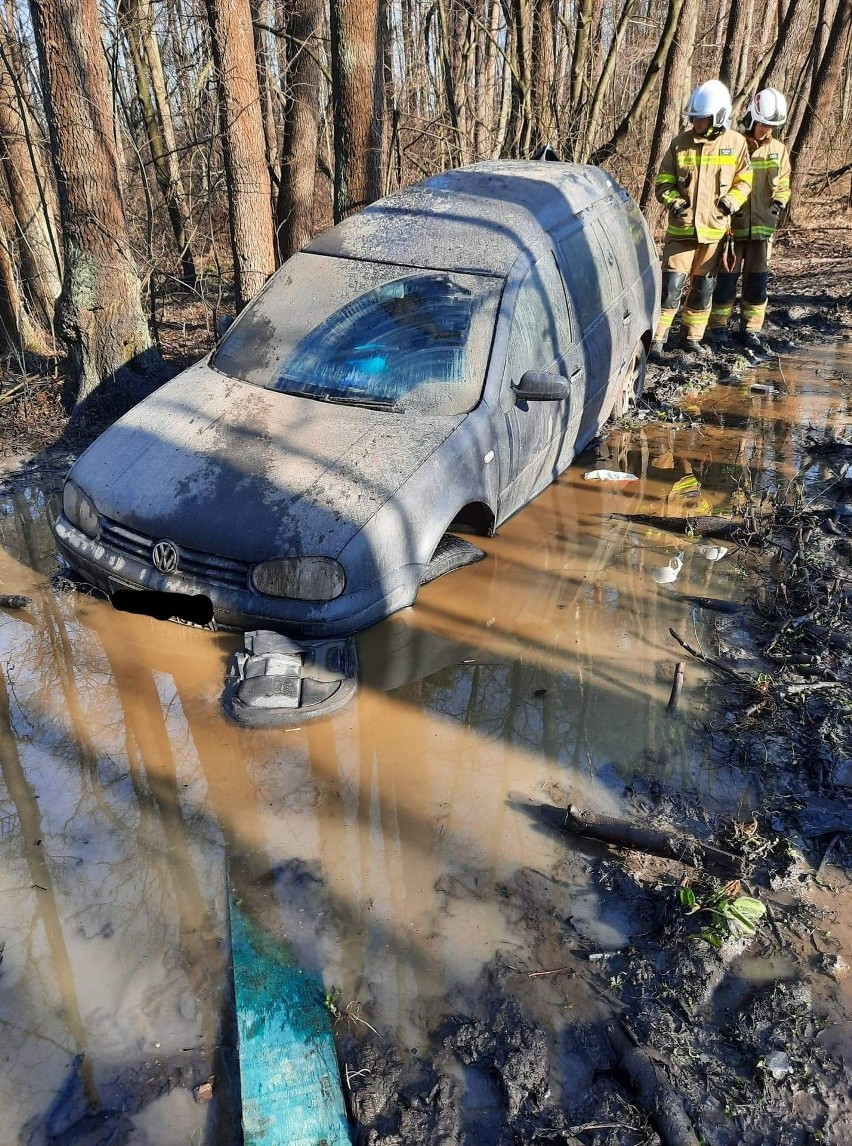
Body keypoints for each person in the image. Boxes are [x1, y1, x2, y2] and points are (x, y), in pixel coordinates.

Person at [650, 80, 753, 362]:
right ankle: (657, 339)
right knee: (671, 287)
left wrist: (732, 200)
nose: (695, 122)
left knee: (703, 287)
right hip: (681, 230)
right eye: (693, 118)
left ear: (718, 116)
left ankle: (691, 338)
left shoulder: (736, 144)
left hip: (714, 232)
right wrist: (674, 200)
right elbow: (663, 182)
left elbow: (744, 180)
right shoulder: (679, 144)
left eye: (701, 118)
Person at [706, 87, 792, 351]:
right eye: (764, 124)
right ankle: (718, 329)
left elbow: (784, 184)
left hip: (762, 233)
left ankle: (750, 330)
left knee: (756, 285)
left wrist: (779, 202)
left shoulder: (778, 150)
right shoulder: (733, 144)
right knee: (725, 283)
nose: (767, 130)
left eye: (771, 126)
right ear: (753, 118)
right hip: (733, 229)